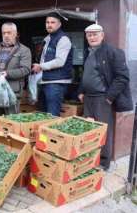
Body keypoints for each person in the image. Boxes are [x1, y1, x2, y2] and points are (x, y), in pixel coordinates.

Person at [78, 24, 133, 170]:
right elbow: (87, 74)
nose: (92, 37)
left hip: (103, 99)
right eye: (89, 35)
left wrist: (109, 97)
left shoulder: (113, 52)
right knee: (89, 130)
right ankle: (90, 160)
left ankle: (103, 163)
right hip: (89, 98)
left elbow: (122, 77)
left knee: (103, 131)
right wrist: (81, 91)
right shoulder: (88, 52)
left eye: (95, 34)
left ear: (102, 35)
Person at [0, 22, 31, 121]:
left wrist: (8, 73)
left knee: (11, 121)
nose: (6, 35)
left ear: (15, 34)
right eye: (4, 33)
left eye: (9, 33)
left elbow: (26, 69)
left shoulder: (24, 50)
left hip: (12, 92)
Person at [32, 12, 73, 116]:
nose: (49, 25)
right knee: (43, 115)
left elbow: (60, 61)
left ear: (59, 24)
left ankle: (50, 133)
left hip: (56, 83)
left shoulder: (63, 39)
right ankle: (43, 133)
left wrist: (40, 66)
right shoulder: (47, 39)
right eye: (47, 22)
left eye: (53, 22)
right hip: (46, 81)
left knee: (52, 116)